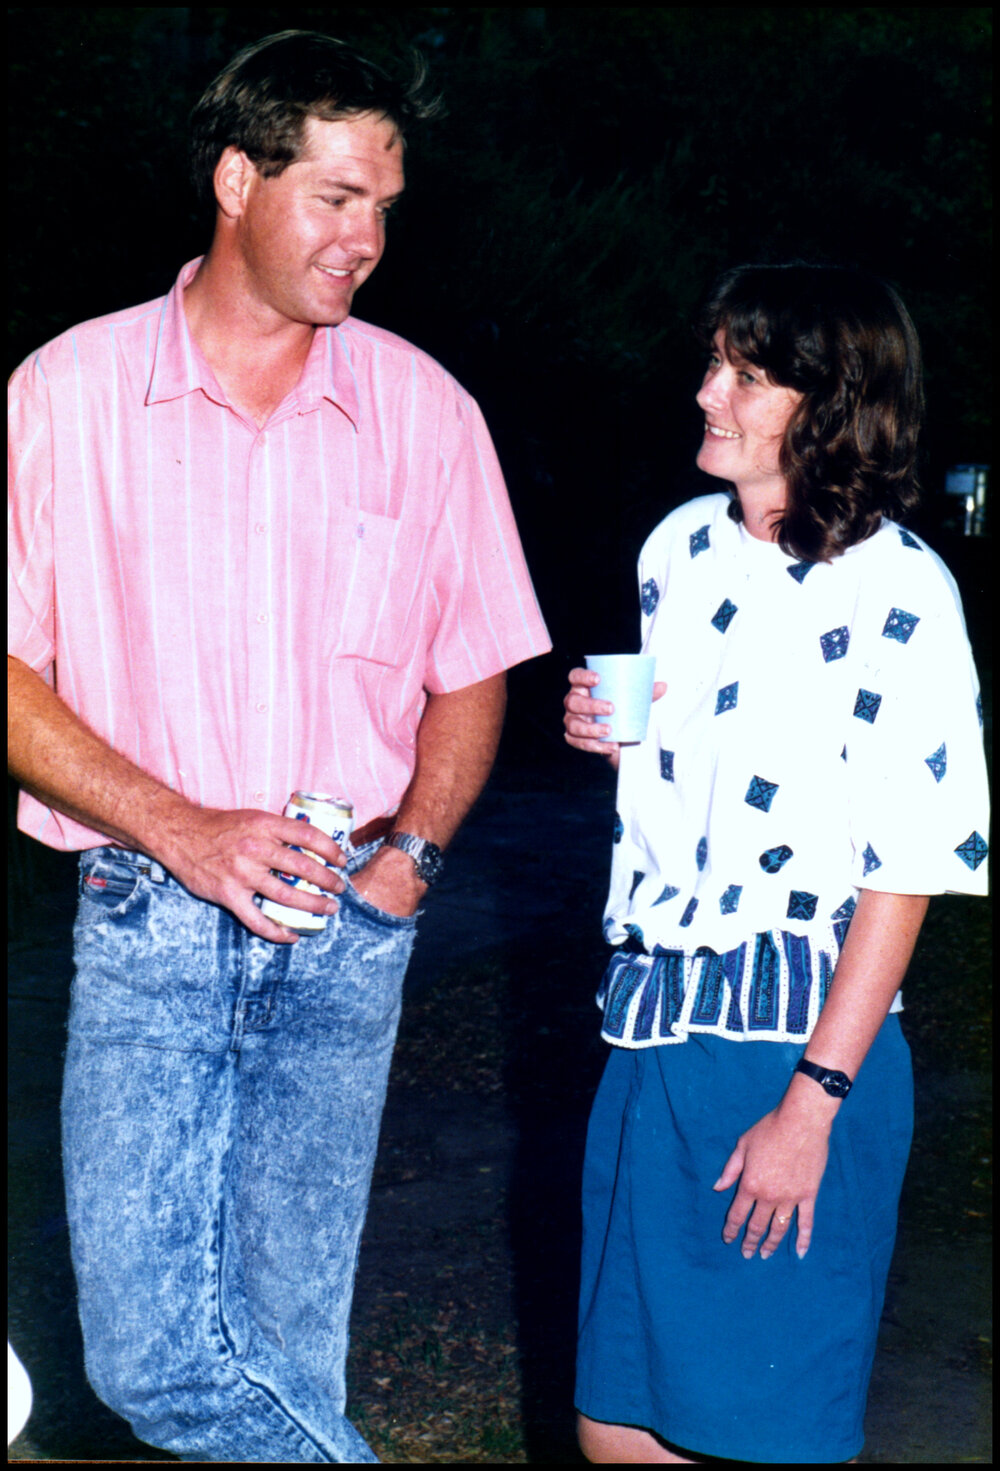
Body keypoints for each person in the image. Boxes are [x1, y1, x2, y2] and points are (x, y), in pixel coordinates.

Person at [8, 30, 550, 1464]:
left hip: (347, 927)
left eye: (384, 206)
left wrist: (415, 856)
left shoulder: (425, 413)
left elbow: (473, 660)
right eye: (336, 197)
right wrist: (182, 826)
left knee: (285, 1352)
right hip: (147, 915)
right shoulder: (64, 394)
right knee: (157, 1360)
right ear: (238, 178)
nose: (367, 237)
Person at [563, 263, 989, 1464]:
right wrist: (616, 745)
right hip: (651, 1033)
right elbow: (686, 800)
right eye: (712, 364)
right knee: (619, 1432)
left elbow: (905, 869)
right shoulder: (676, 551)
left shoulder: (905, 592)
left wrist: (814, 1104)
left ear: (831, 403)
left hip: (796, 1050)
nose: (706, 393)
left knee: (768, 1438)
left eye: (744, 377)